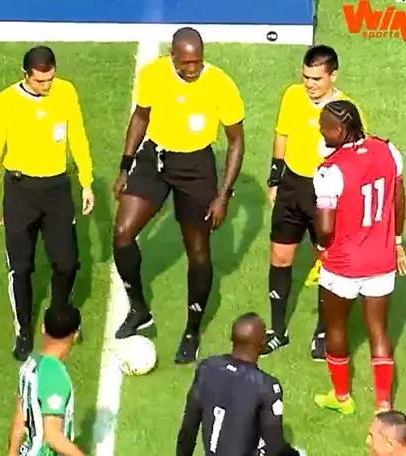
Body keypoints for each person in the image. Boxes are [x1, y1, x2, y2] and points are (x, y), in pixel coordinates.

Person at [112, 27, 245, 365]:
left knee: (198, 253)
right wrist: (126, 166)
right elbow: (141, 117)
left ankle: (192, 329)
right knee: (123, 234)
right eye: (186, 63)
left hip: (197, 168)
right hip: (155, 158)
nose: (192, 69)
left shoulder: (220, 85)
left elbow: (235, 142)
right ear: (172, 57)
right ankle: (139, 308)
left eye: (198, 62)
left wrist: (223, 195)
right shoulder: (153, 74)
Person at [0, 46, 94, 362]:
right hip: (20, 191)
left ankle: (59, 317)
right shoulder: (6, 101)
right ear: (26, 75)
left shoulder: (66, 92)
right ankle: (23, 330)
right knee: (21, 266)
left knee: (67, 262)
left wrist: (86, 181)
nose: (47, 86)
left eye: (51, 79)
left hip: (57, 188)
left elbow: (79, 138)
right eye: (41, 81)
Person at [263, 45, 367, 359]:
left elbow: (358, 156)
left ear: (332, 76)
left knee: (328, 263)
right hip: (292, 187)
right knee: (280, 257)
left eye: (317, 78)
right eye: (306, 76)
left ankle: (323, 332)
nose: (309, 84)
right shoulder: (292, 96)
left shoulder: (346, 110)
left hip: (326, 194)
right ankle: (277, 330)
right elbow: (282, 135)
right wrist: (274, 178)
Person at [312, 100, 405, 415]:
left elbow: (325, 228)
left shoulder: (330, 170)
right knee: (378, 329)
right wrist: (397, 241)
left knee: (336, 327)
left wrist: (321, 248)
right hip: (382, 260)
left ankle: (342, 398)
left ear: (340, 130)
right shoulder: (388, 151)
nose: (320, 129)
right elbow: (398, 197)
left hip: (343, 265)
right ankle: (383, 404)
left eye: (325, 126)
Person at [177, 312, 302, 456]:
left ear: (232, 338)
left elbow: (188, 429)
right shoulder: (266, 387)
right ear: (261, 346)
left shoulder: (207, 369)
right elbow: (274, 445)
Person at [7, 304, 83, 456]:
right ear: (75, 335)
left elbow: (19, 419)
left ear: (43, 328)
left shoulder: (30, 364)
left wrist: (12, 453)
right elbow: (52, 436)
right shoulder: (56, 376)